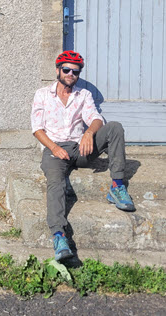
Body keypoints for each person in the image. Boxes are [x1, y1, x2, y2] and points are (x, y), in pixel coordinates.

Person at [31, 50, 135, 262]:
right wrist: (54, 148)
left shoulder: (84, 95)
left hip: (80, 149)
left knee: (114, 127)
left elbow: (96, 118)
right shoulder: (42, 94)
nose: (71, 74)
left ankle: (117, 187)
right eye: (67, 70)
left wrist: (89, 132)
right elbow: (37, 129)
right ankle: (59, 237)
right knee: (56, 183)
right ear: (58, 70)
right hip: (54, 151)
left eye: (75, 72)